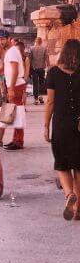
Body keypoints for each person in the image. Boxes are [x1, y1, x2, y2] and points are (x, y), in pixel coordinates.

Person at [44, 39, 80, 220]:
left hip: (61, 124)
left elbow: (50, 102)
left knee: (62, 163)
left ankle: (69, 195)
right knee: (79, 166)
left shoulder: (53, 73)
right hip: (79, 124)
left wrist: (45, 126)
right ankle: (79, 207)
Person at [0, 30, 26, 151]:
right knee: (16, 112)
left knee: (18, 112)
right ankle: (16, 140)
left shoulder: (12, 51)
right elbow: (9, 69)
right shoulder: (10, 51)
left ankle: (18, 141)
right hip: (15, 84)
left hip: (16, 85)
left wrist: (11, 88)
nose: (0, 41)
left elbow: (15, 70)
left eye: (2, 39)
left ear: (9, 38)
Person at [31, 36, 49, 104]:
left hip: (34, 68)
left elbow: (30, 59)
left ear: (35, 41)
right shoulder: (44, 49)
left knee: (35, 84)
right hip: (41, 68)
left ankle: (36, 99)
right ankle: (40, 97)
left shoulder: (32, 48)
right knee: (41, 83)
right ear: (41, 42)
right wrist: (48, 67)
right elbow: (47, 59)